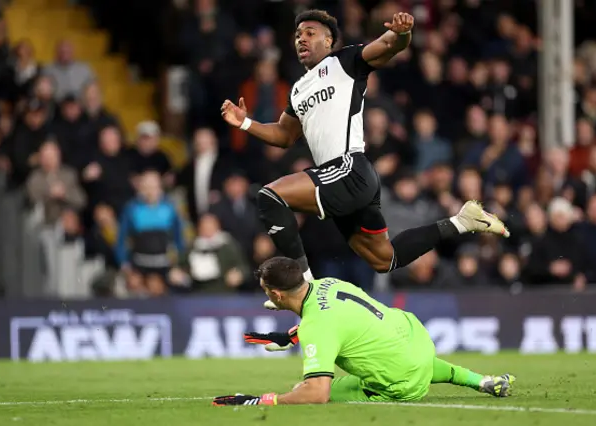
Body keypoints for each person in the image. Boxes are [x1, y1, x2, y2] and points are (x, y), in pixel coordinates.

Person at [220, 10, 509, 306]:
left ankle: (301, 289)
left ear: (329, 40)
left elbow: (386, 47)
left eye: (310, 33)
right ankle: (461, 222)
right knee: (385, 259)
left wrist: (402, 34)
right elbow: (283, 135)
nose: (301, 39)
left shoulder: (344, 62)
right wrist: (245, 123)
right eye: (297, 36)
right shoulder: (298, 89)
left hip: (348, 168)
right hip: (344, 181)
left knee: (270, 197)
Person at [212, 257, 515, 406]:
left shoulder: (318, 325)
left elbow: (318, 393)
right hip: (414, 337)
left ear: (277, 294)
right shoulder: (328, 282)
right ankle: (484, 381)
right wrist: (294, 334)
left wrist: (261, 400)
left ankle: (397, 384)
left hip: (401, 380)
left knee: (301, 390)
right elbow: (340, 319)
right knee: (413, 360)